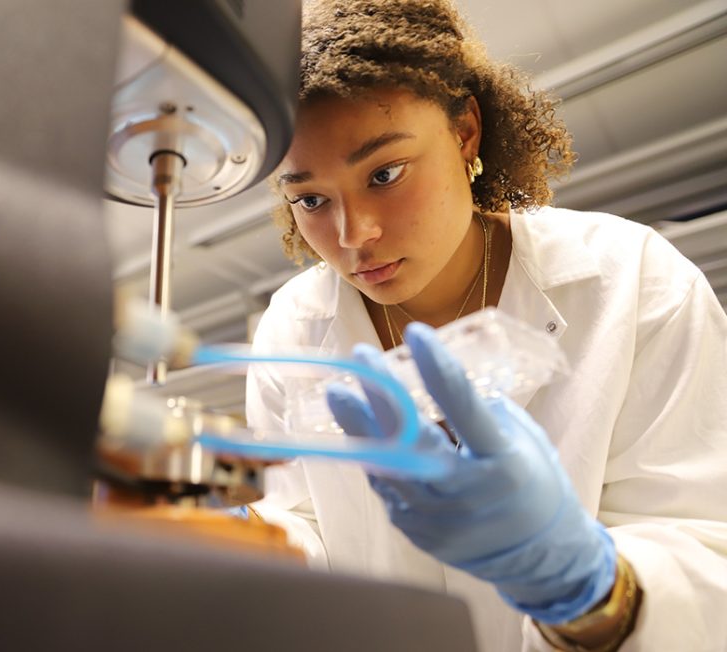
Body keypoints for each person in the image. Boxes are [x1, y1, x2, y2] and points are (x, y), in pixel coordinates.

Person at [245, 1, 727, 650]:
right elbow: (308, 529)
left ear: (465, 131)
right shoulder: (290, 333)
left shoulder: (634, 283)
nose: (353, 236)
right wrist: (249, 540)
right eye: (310, 199)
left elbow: (707, 559)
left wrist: (585, 586)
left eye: (385, 174)